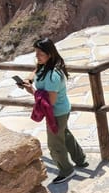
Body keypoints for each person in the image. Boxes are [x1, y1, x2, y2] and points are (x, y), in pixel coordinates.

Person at [22, 37, 88, 184]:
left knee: (54, 144)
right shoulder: (45, 65)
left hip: (57, 112)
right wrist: (30, 79)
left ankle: (67, 171)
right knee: (64, 133)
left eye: (40, 53)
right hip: (62, 110)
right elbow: (36, 69)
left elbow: (50, 102)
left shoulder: (53, 75)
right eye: (36, 53)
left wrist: (32, 91)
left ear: (49, 54)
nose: (37, 57)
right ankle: (80, 159)